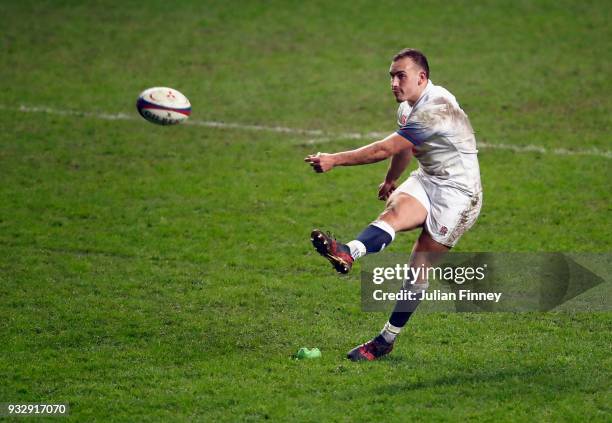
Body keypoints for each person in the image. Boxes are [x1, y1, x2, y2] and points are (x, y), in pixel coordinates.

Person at [304, 48, 483, 361]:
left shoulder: (435, 108)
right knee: (393, 213)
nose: (394, 82)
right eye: (391, 76)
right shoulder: (408, 107)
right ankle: (348, 251)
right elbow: (404, 147)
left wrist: (334, 159)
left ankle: (386, 340)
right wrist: (391, 180)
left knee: (418, 270)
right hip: (429, 179)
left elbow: (385, 148)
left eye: (401, 75)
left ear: (421, 77)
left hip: (459, 194)